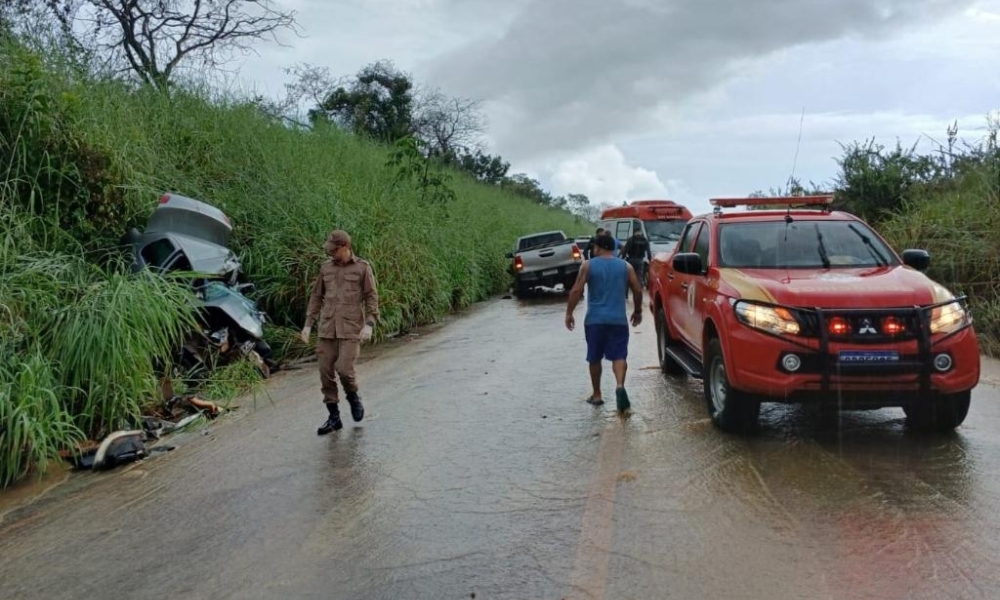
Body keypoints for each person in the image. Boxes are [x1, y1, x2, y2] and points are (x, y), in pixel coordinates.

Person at [300, 230, 379, 435]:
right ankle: (334, 417)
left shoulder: (362, 268)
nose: (330, 254)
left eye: (333, 250)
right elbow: (317, 297)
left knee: (344, 369)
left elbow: (371, 297)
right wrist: (308, 324)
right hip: (327, 328)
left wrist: (369, 324)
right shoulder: (326, 268)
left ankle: (353, 397)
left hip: (351, 328)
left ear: (344, 247)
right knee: (325, 372)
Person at [565, 233, 643, 413]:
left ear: (598, 248)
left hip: (595, 320)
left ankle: (597, 395)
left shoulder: (588, 265)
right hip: (618, 320)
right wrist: (637, 310)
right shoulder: (626, 266)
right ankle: (620, 385)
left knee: (594, 357)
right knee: (619, 356)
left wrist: (569, 313)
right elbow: (638, 290)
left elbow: (577, 290)